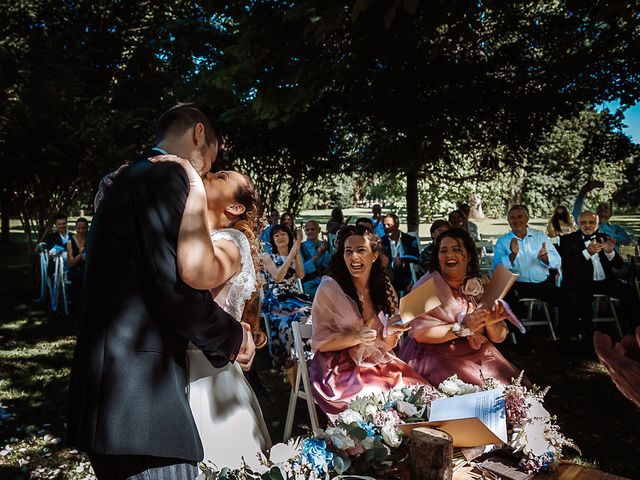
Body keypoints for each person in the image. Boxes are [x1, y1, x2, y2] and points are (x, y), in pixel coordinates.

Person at [68, 103, 254, 480]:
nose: (205, 173)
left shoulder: (120, 179)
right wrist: (234, 337)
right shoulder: (170, 177)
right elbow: (173, 290)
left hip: (105, 397)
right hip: (141, 408)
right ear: (198, 135)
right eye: (210, 162)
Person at [150, 154, 271, 469]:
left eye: (222, 175)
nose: (212, 172)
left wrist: (192, 182)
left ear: (233, 208)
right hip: (174, 371)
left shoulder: (230, 241)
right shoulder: (191, 236)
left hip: (208, 376)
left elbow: (196, 273)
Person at [309, 225, 431, 418]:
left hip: (376, 361)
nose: (354, 257)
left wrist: (391, 331)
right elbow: (322, 343)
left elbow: (387, 346)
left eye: (361, 250)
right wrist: (356, 337)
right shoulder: (330, 288)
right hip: (338, 368)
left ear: (374, 256)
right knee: (377, 400)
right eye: (348, 251)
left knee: (418, 391)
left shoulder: (383, 287)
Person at [399, 229, 526, 387]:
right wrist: (463, 328)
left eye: (456, 249)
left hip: (476, 354)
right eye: (443, 251)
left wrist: (491, 323)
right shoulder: (426, 285)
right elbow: (419, 333)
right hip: (433, 355)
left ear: (469, 255)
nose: (449, 255)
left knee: (503, 391)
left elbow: (499, 337)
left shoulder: (478, 285)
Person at [493, 205, 579, 352]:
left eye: (520, 217)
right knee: (507, 301)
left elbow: (557, 261)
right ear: (508, 220)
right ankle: (522, 341)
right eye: (512, 217)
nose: (517, 220)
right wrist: (512, 255)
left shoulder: (540, 237)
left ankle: (565, 339)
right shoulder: (503, 241)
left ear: (527, 218)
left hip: (542, 284)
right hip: (517, 284)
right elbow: (497, 269)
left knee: (569, 297)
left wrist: (545, 258)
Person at [558, 211, 639, 338]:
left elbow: (618, 265)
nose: (587, 225)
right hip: (582, 282)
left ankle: (633, 329)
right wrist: (587, 253)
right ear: (578, 224)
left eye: (591, 222)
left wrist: (610, 252)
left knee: (630, 292)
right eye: (583, 223)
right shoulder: (568, 240)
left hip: (606, 281)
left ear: (597, 223)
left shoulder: (604, 237)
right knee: (581, 299)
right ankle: (585, 333)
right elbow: (568, 266)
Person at [261, 224, 311, 369]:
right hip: (277, 296)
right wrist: (291, 255)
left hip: (294, 295)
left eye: (283, 234)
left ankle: (308, 354)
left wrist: (296, 253)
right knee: (295, 317)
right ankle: (291, 356)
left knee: (313, 312)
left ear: (289, 237)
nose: (280, 237)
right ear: (272, 240)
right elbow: (277, 277)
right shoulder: (267, 256)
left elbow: (301, 275)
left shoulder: (294, 255)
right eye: (276, 235)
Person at [380, 214, 419, 295]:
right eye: (384, 225)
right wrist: (394, 264)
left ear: (397, 225)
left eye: (389, 225)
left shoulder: (410, 240)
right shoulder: (382, 243)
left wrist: (412, 282)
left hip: (408, 280)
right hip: (390, 281)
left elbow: (416, 260)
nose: (386, 228)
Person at [300, 220, 330, 298]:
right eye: (307, 230)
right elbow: (303, 269)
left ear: (319, 230)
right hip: (309, 285)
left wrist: (325, 252)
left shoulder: (325, 245)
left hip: (325, 282)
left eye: (313, 229)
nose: (310, 232)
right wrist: (318, 255)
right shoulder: (301, 247)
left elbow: (329, 265)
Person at [66, 217, 88, 316]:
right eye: (78, 228)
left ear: (87, 228)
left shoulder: (90, 240)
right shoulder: (70, 242)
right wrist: (80, 255)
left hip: (88, 268)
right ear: (75, 228)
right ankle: (76, 309)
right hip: (76, 269)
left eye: (83, 228)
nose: (81, 231)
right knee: (79, 277)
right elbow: (70, 264)